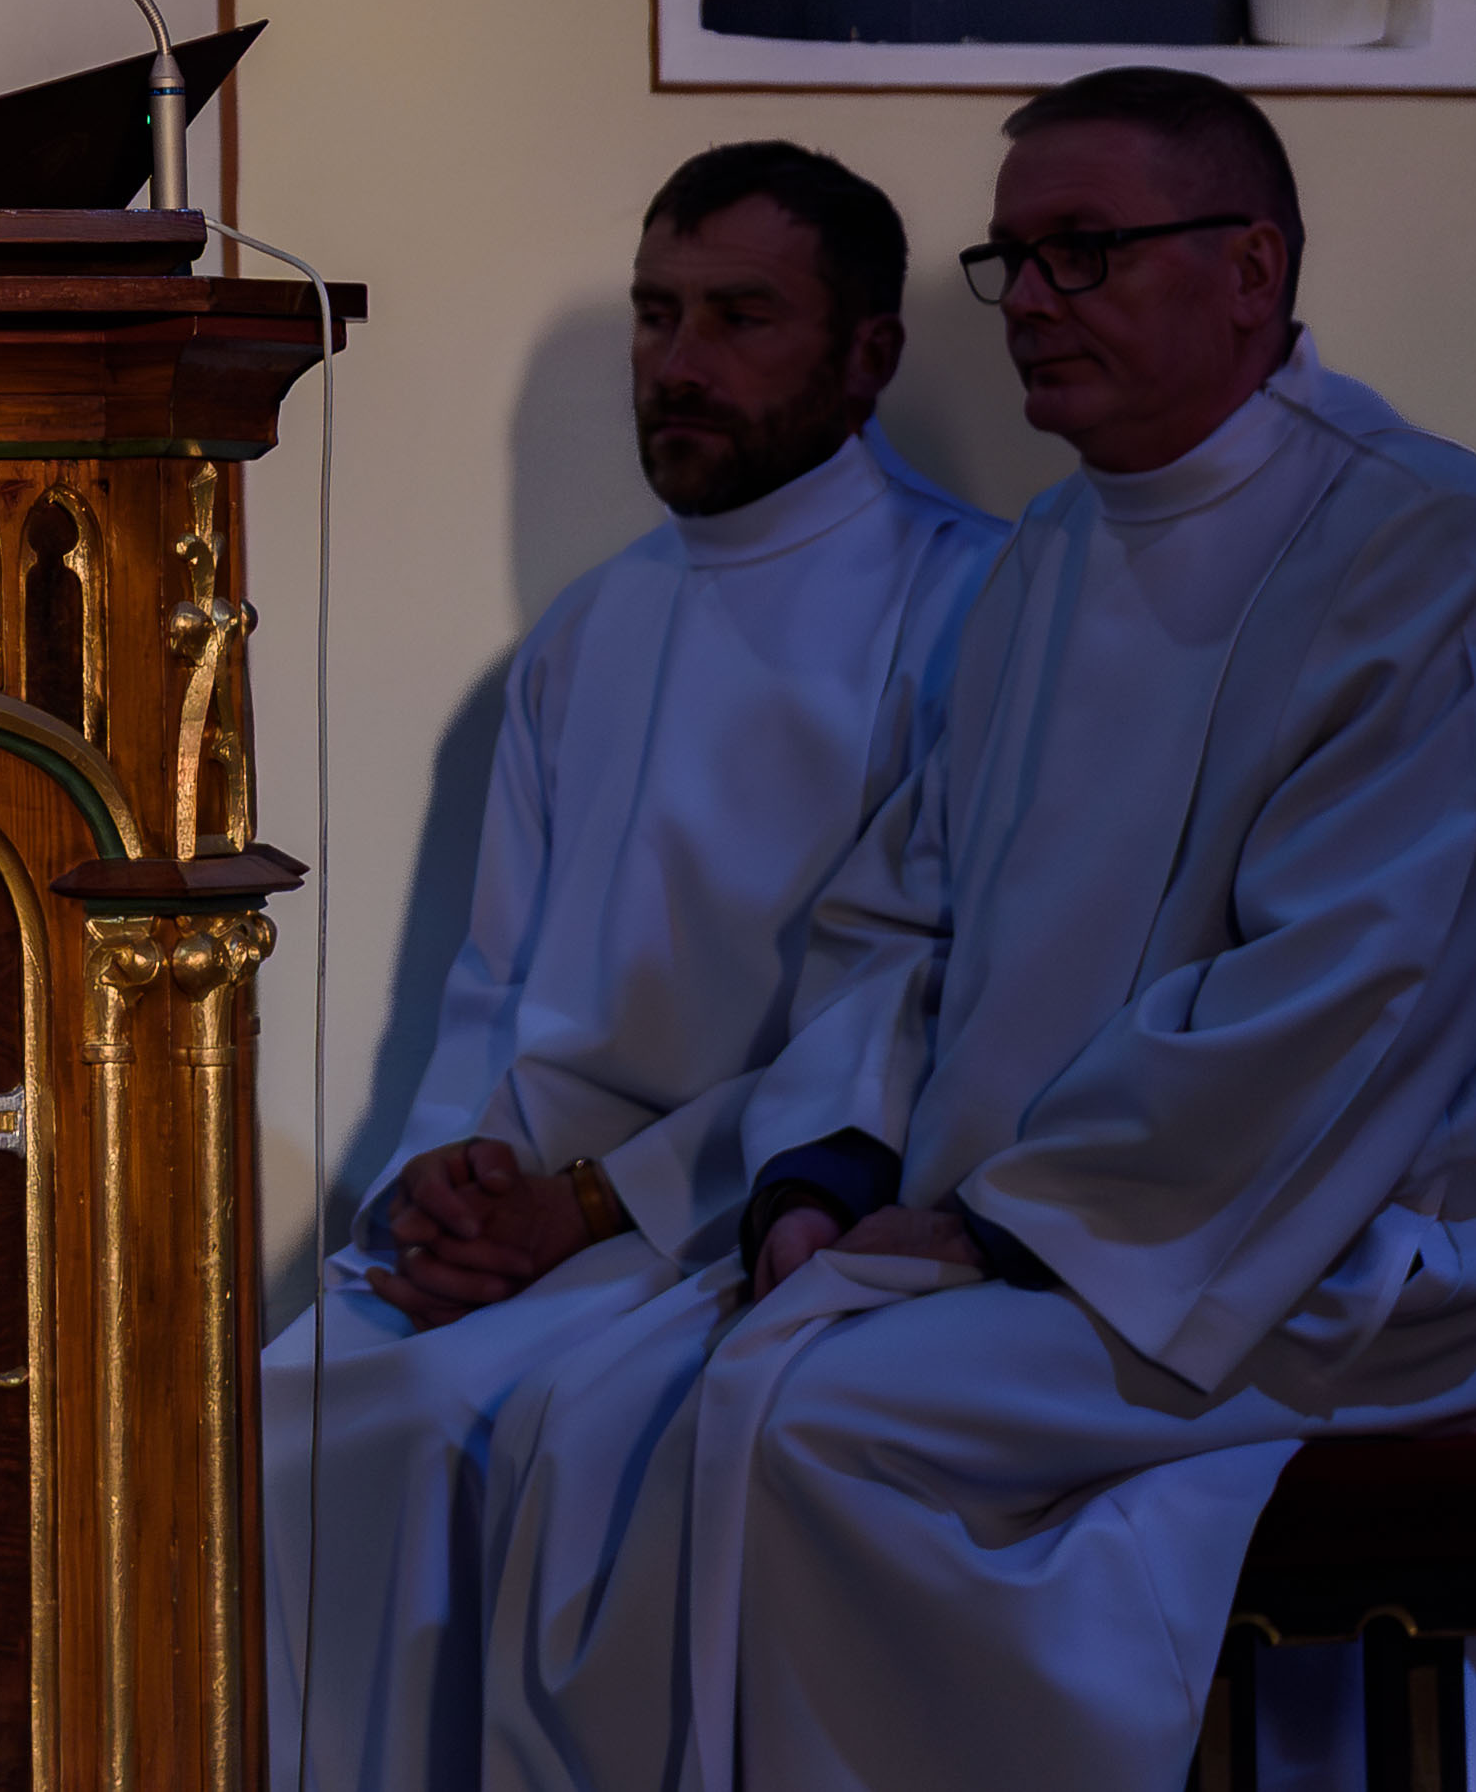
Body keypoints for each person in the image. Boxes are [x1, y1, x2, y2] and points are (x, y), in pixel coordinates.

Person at [477, 68, 1476, 1792]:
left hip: (1333, 1255)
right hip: (1059, 1235)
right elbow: (904, 920)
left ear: (1250, 268)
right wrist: (828, 1174)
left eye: (1082, 251)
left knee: (817, 1417)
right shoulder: (1047, 555)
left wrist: (997, 1227)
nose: (1030, 300)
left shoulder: (1422, 549)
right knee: (644, 1396)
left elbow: (1350, 998)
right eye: (1011, 259)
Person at [264, 143, 1001, 1792]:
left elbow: (899, 1021)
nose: (678, 361)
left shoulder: (968, 608)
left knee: (517, 1451)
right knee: (275, 1416)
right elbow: (493, 991)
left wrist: (595, 1207)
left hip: (734, 1228)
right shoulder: (588, 632)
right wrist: (450, 1184)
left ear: (869, 353)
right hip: (544, 1224)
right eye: (655, 314)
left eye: (740, 316)